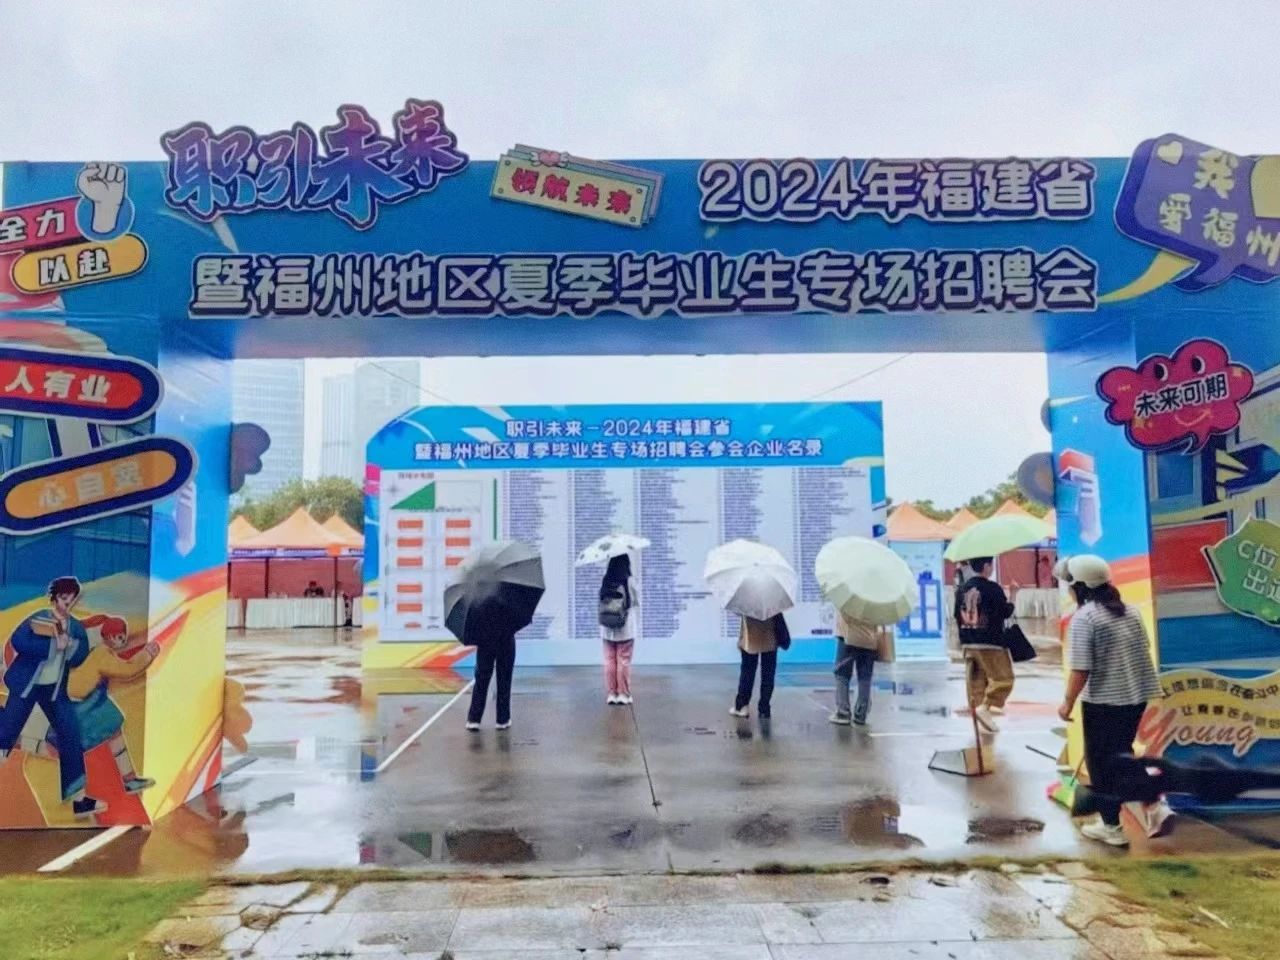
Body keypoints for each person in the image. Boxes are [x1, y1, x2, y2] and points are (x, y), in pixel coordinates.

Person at [1056, 554, 1162, 848]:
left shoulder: (1085, 618)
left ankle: (1112, 826)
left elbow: (1081, 669)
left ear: (1080, 586)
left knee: (1101, 766)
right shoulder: (1131, 611)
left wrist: (1067, 703)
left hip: (1104, 702)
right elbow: (1142, 649)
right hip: (1135, 698)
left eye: (1070, 584)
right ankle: (1154, 802)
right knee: (1121, 756)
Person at [0, 577, 105, 819]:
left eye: (72, 599)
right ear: (55, 597)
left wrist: (69, 647)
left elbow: (79, 656)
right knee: (7, 731)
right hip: (27, 685)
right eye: (64, 598)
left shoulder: (75, 627)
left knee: (70, 733)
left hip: (54, 691)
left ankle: (79, 799)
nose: (67, 603)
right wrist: (52, 646)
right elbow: (18, 640)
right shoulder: (39, 618)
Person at [64, 616, 158, 794]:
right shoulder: (102, 654)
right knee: (64, 746)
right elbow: (127, 670)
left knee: (114, 730)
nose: (123, 641)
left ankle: (129, 780)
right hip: (80, 704)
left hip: (90, 700)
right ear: (110, 636)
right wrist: (147, 655)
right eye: (120, 637)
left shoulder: (101, 651)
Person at [955, 556, 1015, 733]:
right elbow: (1005, 612)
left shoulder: (962, 589)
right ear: (987, 566)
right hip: (991, 643)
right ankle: (986, 707)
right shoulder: (992, 588)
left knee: (976, 683)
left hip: (968, 642)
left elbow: (956, 615)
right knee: (1004, 679)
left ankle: (980, 716)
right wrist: (1013, 594)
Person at [466, 606, 517, 731]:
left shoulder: (479, 599)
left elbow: (474, 621)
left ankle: (474, 719)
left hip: (485, 639)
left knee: (481, 679)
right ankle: (502, 720)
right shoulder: (510, 598)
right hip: (506, 638)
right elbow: (516, 619)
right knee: (504, 678)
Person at [731, 612, 789, 720]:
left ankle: (742, 706)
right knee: (768, 676)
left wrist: (740, 641)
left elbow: (744, 626)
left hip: (750, 642)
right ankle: (764, 709)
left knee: (747, 674)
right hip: (770, 642)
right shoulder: (772, 605)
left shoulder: (746, 605)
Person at [598, 554, 638, 706]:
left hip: (607, 626)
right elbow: (635, 601)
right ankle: (623, 694)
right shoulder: (629, 580)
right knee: (624, 660)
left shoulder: (606, 580)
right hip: (625, 627)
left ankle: (611, 694)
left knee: (609, 660)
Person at [830, 611, 882, 726]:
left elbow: (845, 614)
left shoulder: (850, 600)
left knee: (842, 674)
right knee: (865, 678)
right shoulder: (876, 601)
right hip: (869, 640)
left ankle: (843, 712)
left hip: (848, 637)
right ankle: (861, 714)